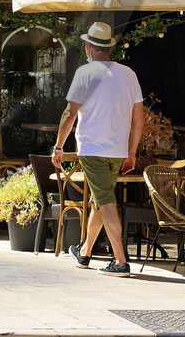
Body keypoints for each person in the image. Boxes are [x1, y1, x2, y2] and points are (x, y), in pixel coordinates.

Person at [51, 21, 144, 277]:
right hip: (118, 150)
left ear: (89, 47)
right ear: (108, 47)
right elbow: (139, 120)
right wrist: (132, 152)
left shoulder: (85, 73)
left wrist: (59, 146)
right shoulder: (129, 74)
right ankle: (85, 252)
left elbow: (69, 113)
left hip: (93, 148)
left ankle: (120, 261)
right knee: (99, 202)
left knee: (106, 201)